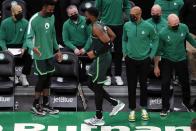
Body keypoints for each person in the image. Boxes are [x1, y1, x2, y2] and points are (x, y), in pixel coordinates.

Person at [83, 7, 125, 126]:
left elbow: (109, 43)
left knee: (96, 86)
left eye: (86, 16)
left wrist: (95, 52)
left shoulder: (96, 27)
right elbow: (114, 35)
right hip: (101, 57)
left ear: (92, 16)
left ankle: (99, 117)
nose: (85, 18)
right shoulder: (102, 24)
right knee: (90, 83)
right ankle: (115, 103)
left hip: (101, 58)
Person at [154, 14, 196, 117]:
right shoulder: (163, 33)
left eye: (177, 23)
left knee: (185, 82)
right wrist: (156, 66)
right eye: (174, 25)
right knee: (165, 83)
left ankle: (186, 103)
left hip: (181, 58)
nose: (177, 26)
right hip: (167, 59)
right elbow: (158, 50)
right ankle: (165, 107)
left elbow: (190, 39)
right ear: (168, 24)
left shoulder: (184, 27)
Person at [26, 0, 62, 116]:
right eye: (50, 10)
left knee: (48, 79)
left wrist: (58, 50)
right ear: (44, 7)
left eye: (53, 10)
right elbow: (28, 38)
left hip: (49, 54)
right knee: (42, 79)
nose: (52, 12)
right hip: (39, 55)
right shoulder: (34, 19)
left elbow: (53, 35)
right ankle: (35, 104)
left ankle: (46, 104)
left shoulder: (52, 17)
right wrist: (33, 48)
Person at [123, 6, 159, 122]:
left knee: (143, 85)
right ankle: (132, 109)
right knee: (131, 86)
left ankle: (144, 108)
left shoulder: (148, 26)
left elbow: (155, 39)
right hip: (131, 60)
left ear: (140, 14)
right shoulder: (127, 25)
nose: (132, 16)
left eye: (134, 14)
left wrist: (151, 55)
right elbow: (124, 39)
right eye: (131, 14)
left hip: (144, 60)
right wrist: (125, 53)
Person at [96, 0, 131, 86]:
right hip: (105, 25)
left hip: (119, 25)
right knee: (106, 52)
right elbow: (97, 8)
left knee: (119, 51)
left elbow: (127, 5)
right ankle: (107, 75)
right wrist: (101, 20)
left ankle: (118, 75)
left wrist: (126, 16)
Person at [0, 4, 32, 86]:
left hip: (20, 46)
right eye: (19, 11)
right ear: (13, 13)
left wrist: (24, 48)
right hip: (8, 46)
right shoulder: (4, 23)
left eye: (22, 11)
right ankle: (13, 76)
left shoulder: (26, 23)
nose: (21, 13)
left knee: (31, 53)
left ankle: (23, 76)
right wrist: (5, 49)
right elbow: (2, 39)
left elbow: (26, 38)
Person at [62, 5, 91, 82]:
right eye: (71, 14)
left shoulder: (85, 20)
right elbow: (66, 40)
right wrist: (74, 48)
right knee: (63, 54)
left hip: (85, 45)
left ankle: (87, 73)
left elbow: (90, 37)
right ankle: (67, 75)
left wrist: (85, 48)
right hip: (73, 47)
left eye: (75, 12)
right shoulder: (66, 24)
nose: (74, 15)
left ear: (78, 11)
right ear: (68, 15)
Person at [180, 0, 196, 86]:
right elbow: (181, 15)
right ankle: (194, 77)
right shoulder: (189, 2)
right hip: (191, 32)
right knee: (190, 54)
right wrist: (184, 28)